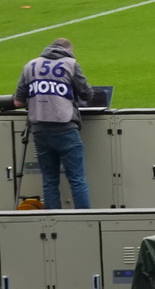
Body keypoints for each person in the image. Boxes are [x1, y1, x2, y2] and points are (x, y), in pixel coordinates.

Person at [13, 38, 94, 209]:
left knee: (49, 181)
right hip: (65, 128)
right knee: (77, 179)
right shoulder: (70, 63)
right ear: (69, 50)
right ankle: (86, 221)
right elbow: (87, 94)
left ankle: (53, 223)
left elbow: (18, 102)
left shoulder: (30, 65)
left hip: (40, 130)